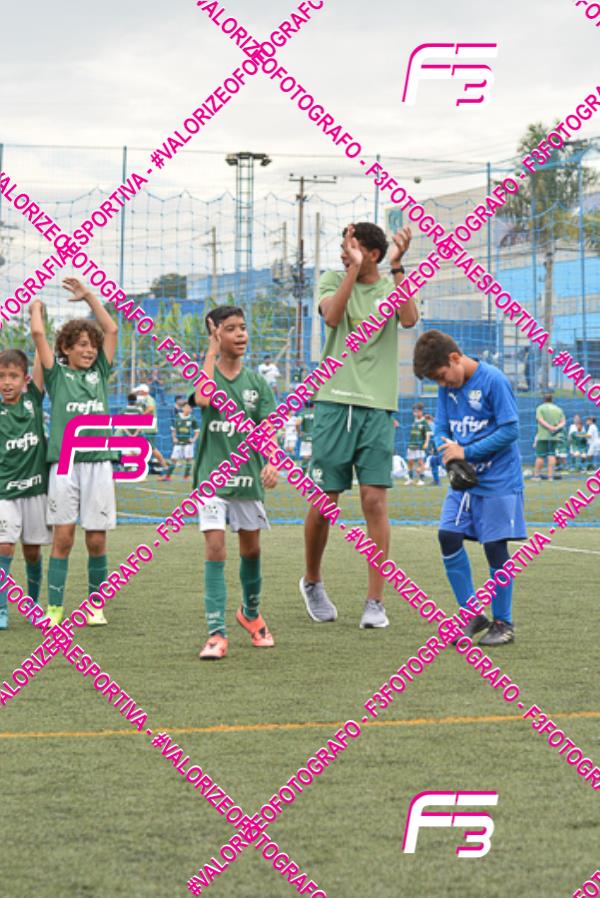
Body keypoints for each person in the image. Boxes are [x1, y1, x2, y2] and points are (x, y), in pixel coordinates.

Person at [300, 221, 417, 629]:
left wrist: (397, 266)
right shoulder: (333, 279)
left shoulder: (389, 285)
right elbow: (333, 318)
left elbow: (409, 319)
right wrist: (350, 269)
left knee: (374, 502)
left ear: (373, 253)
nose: (342, 252)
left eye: (350, 247)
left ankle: (375, 601)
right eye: (342, 246)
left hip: (378, 407)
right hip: (333, 401)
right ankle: (312, 581)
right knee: (325, 502)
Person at [413, 330, 526, 646]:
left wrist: (466, 452)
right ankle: (471, 614)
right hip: (464, 480)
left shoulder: (494, 381)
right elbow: (441, 426)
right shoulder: (447, 390)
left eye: (442, 376)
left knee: (495, 547)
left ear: (454, 358)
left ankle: (503, 623)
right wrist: (445, 451)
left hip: (499, 480)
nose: (443, 383)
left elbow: (511, 430)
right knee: (448, 535)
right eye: (436, 381)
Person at [190, 305, 278, 660]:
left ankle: (250, 614)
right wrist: (211, 350)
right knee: (215, 547)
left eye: (243, 327)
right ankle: (216, 633)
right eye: (230, 328)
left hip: (246, 479)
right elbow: (202, 398)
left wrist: (272, 460)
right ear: (216, 335)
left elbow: (268, 428)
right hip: (212, 481)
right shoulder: (207, 374)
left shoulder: (257, 383)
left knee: (251, 550)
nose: (240, 334)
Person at [29, 278, 119, 627]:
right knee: (63, 538)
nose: (90, 350)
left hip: (99, 462)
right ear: (65, 348)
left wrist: (90, 297)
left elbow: (111, 329)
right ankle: (54, 608)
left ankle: (95, 606)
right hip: (65, 464)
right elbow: (39, 335)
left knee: (96, 539)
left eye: (92, 345)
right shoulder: (56, 375)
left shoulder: (100, 372)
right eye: (82, 344)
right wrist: (36, 308)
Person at [0, 349, 51, 629]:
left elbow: (41, 352)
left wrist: (39, 330)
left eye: (13, 376)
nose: (7, 382)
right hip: (4, 492)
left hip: (35, 490)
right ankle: (1, 609)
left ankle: (32, 604)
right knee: (4, 546)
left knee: (32, 551)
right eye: (1, 377)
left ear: (25, 379)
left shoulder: (33, 400)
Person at [160, 402, 199, 481]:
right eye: (186, 407)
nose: (188, 409)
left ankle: (186, 476)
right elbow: (173, 429)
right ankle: (168, 476)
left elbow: (197, 431)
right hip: (178, 443)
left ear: (191, 410)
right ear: (183, 408)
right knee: (174, 459)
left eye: (190, 408)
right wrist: (174, 438)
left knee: (189, 459)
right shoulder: (177, 417)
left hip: (188, 443)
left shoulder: (192, 418)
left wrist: (194, 439)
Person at [134, 383, 168, 473]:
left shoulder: (149, 399)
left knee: (152, 448)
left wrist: (140, 415)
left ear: (143, 391)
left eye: (139, 391)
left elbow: (151, 408)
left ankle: (164, 466)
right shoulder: (142, 400)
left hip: (149, 428)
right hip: (143, 428)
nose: (138, 393)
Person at [532, 393, 565, 481]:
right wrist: (555, 428)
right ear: (552, 399)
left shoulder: (540, 408)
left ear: (544, 399)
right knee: (552, 455)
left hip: (543, 435)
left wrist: (549, 427)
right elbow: (563, 422)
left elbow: (540, 420)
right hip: (554, 436)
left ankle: (536, 476)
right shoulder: (558, 409)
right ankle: (550, 477)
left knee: (540, 456)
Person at [404, 402, 428, 486]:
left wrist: (426, 443)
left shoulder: (424, 422)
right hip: (411, 444)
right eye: (414, 411)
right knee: (410, 462)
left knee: (420, 462)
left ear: (421, 411)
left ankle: (421, 479)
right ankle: (410, 479)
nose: (415, 413)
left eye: (417, 411)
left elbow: (428, 433)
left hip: (419, 445)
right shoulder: (414, 420)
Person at [297, 400, 315, 473]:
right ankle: (313, 476)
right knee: (315, 457)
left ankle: (303, 475)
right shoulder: (317, 413)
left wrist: (299, 432)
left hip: (306, 437)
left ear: (304, 405)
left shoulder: (303, 413)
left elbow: (297, 423)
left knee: (306, 457)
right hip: (315, 437)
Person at [424, 413, 441, 486]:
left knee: (441, 462)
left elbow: (433, 435)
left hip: (439, 447)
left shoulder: (432, 425)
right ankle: (436, 480)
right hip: (436, 447)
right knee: (433, 461)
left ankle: (436, 480)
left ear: (428, 420)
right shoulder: (431, 425)